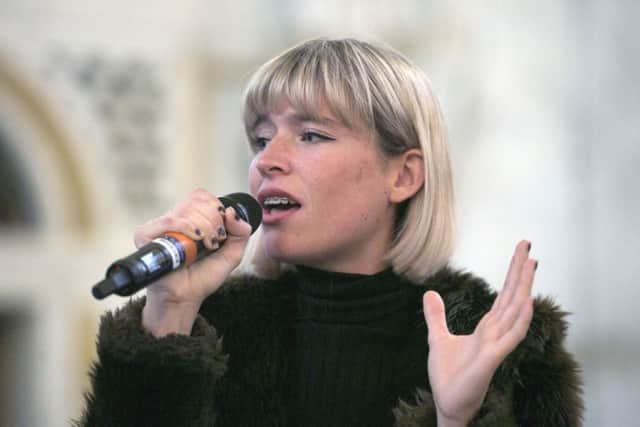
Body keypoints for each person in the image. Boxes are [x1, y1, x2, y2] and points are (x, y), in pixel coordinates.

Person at [76, 38, 583, 426]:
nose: (267, 161)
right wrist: (172, 311)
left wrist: (456, 419)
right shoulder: (209, 329)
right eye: (260, 138)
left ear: (403, 176)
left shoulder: (503, 349)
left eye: (312, 134)